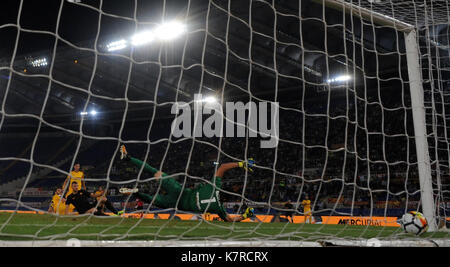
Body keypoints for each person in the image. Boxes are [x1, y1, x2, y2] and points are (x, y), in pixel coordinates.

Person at [118, 145, 254, 222]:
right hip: (176, 203)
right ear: (225, 200)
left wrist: (241, 164)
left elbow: (222, 167)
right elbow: (230, 220)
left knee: (155, 172)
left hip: (179, 191)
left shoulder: (214, 186)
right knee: (152, 200)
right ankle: (136, 192)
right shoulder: (219, 209)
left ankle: (128, 158)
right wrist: (245, 216)